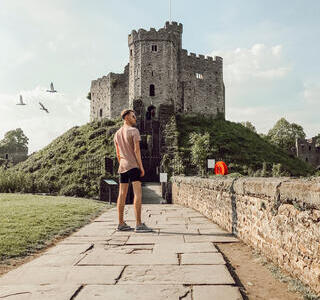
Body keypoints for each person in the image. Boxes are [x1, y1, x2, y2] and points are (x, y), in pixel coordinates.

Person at [113, 109, 153, 232]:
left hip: (123, 167)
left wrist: (122, 164)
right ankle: (139, 224)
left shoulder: (117, 134)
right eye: (133, 116)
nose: (135, 118)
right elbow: (137, 151)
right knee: (137, 194)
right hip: (133, 166)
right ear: (126, 118)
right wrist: (141, 167)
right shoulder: (134, 131)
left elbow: (118, 154)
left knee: (121, 195)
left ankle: (121, 223)